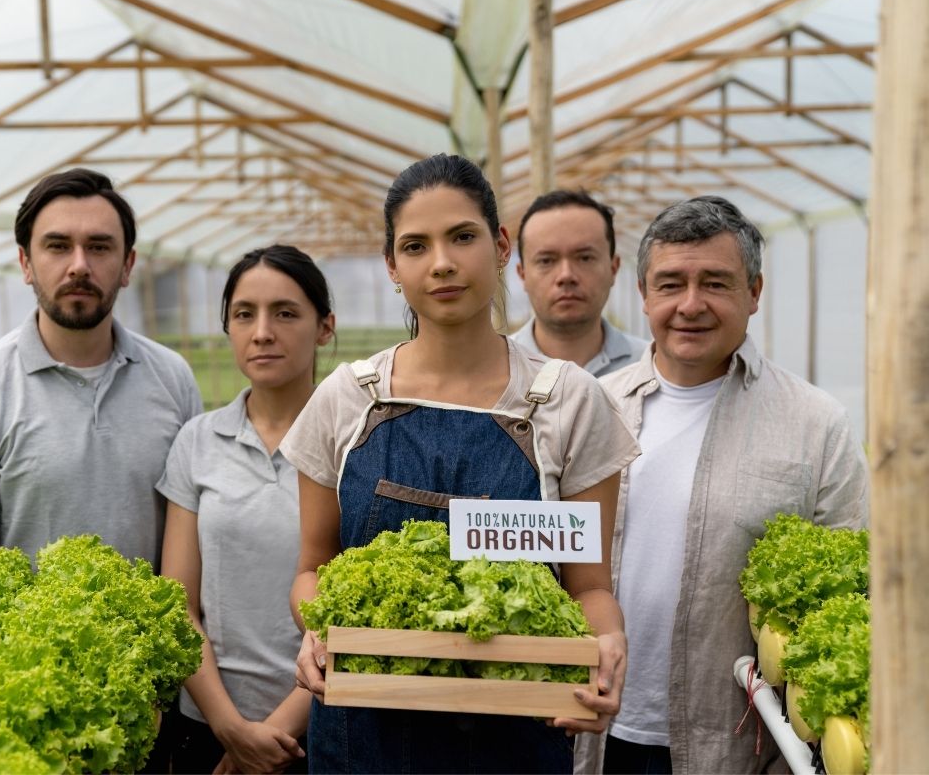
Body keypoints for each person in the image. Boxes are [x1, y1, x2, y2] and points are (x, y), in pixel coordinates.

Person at [282, 154, 640, 774]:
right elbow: (313, 568)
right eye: (415, 246)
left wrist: (606, 649)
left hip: (516, 736)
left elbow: (588, 587)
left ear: (501, 247)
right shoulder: (346, 398)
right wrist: (317, 627)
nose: (442, 262)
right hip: (364, 733)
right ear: (393, 267)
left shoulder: (567, 400)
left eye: (463, 237)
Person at [577, 196, 869, 775]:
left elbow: (852, 594)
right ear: (643, 296)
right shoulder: (592, 406)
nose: (691, 305)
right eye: (670, 284)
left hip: (735, 746)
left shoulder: (814, 423)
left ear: (754, 293)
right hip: (594, 728)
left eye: (716, 283)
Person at [0, 167, 202, 568]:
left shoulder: (173, 378)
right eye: (58, 246)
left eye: (100, 247)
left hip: (154, 632)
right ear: (25, 263)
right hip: (25, 633)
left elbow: (192, 538)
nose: (79, 266)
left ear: (127, 266)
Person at [158, 245, 335, 774]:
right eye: (244, 314)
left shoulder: (354, 442)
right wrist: (231, 731)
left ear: (324, 327)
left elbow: (361, 621)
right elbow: (178, 604)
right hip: (209, 723)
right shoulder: (197, 441)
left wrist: (272, 735)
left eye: (285, 312)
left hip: (326, 722)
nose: (262, 331)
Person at [510, 190, 647, 375]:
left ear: (613, 268)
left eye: (584, 258)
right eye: (546, 261)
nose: (566, 275)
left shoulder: (649, 367)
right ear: (522, 274)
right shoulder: (498, 369)